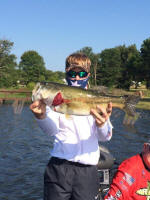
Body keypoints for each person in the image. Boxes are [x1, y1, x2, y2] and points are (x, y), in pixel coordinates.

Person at [30, 53, 113, 200]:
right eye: (72, 73)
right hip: (59, 167)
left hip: (87, 172)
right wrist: (41, 116)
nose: (76, 77)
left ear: (88, 75)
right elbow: (52, 130)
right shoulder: (57, 98)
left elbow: (106, 136)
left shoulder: (96, 99)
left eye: (81, 74)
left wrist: (102, 124)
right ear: (66, 73)